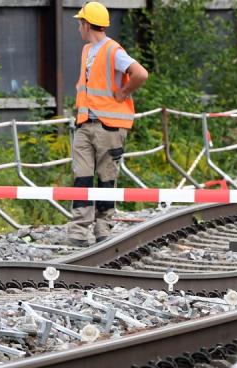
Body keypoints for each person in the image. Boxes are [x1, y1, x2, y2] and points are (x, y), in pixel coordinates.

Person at [68, 1, 148, 247]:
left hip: (109, 126)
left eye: (80, 22)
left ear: (86, 24)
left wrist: (124, 93)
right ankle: (78, 231)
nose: (78, 27)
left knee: (106, 178)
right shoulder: (86, 51)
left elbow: (141, 74)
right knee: (81, 177)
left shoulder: (113, 50)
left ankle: (103, 229)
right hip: (85, 124)